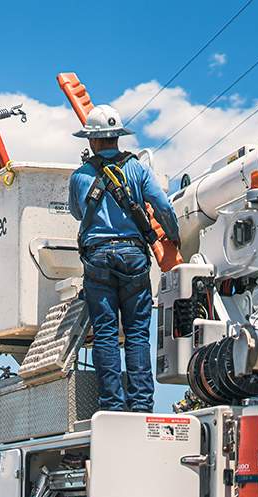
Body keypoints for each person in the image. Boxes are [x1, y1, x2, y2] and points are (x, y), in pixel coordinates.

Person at [68, 105, 181, 413]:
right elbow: (162, 206)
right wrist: (172, 234)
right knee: (137, 335)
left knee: (105, 333)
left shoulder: (79, 176)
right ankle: (142, 405)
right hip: (133, 256)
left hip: (98, 258)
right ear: (118, 137)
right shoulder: (138, 169)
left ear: (91, 141)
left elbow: (78, 213)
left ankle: (113, 408)